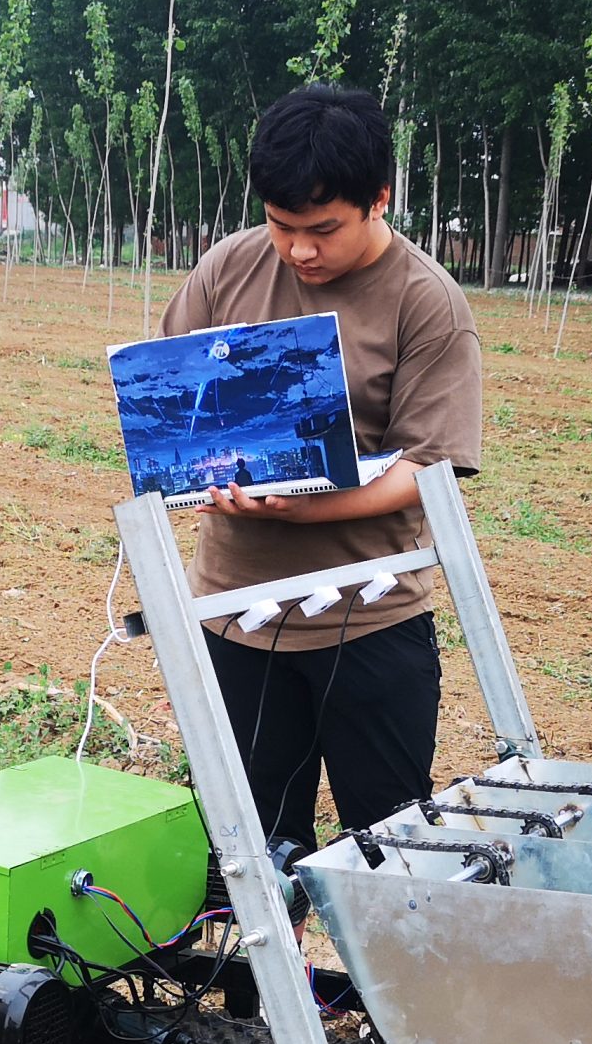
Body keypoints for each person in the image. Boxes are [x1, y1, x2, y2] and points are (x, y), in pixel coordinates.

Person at [161, 85, 483, 855]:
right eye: (282, 227)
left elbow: (429, 465)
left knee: (391, 851)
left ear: (379, 198)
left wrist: (303, 511)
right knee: (244, 856)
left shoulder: (425, 301)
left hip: (368, 621)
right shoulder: (227, 270)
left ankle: (377, 980)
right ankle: (266, 981)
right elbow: (173, 406)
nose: (300, 250)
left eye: (322, 230)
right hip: (237, 618)